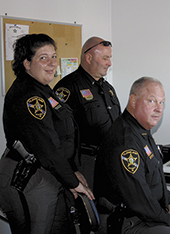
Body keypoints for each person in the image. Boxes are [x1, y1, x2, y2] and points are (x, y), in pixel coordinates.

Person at [0, 33, 94, 234]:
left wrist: (70, 171)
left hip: (50, 173)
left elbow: (60, 139)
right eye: (43, 58)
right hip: (28, 178)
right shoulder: (29, 96)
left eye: (54, 56)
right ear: (26, 63)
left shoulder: (43, 89)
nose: (52, 63)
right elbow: (47, 146)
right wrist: (72, 181)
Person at [94, 77, 170, 234]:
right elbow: (138, 198)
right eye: (152, 101)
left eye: (161, 102)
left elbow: (156, 177)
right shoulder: (125, 142)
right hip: (127, 220)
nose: (159, 108)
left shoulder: (141, 130)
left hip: (147, 211)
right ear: (133, 101)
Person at [54, 36, 121, 190]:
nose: (109, 63)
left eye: (109, 58)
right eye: (105, 58)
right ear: (89, 57)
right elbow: (59, 134)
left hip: (109, 160)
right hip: (85, 163)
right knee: (88, 210)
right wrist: (72, 169)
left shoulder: (108, 89)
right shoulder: (68, 87)